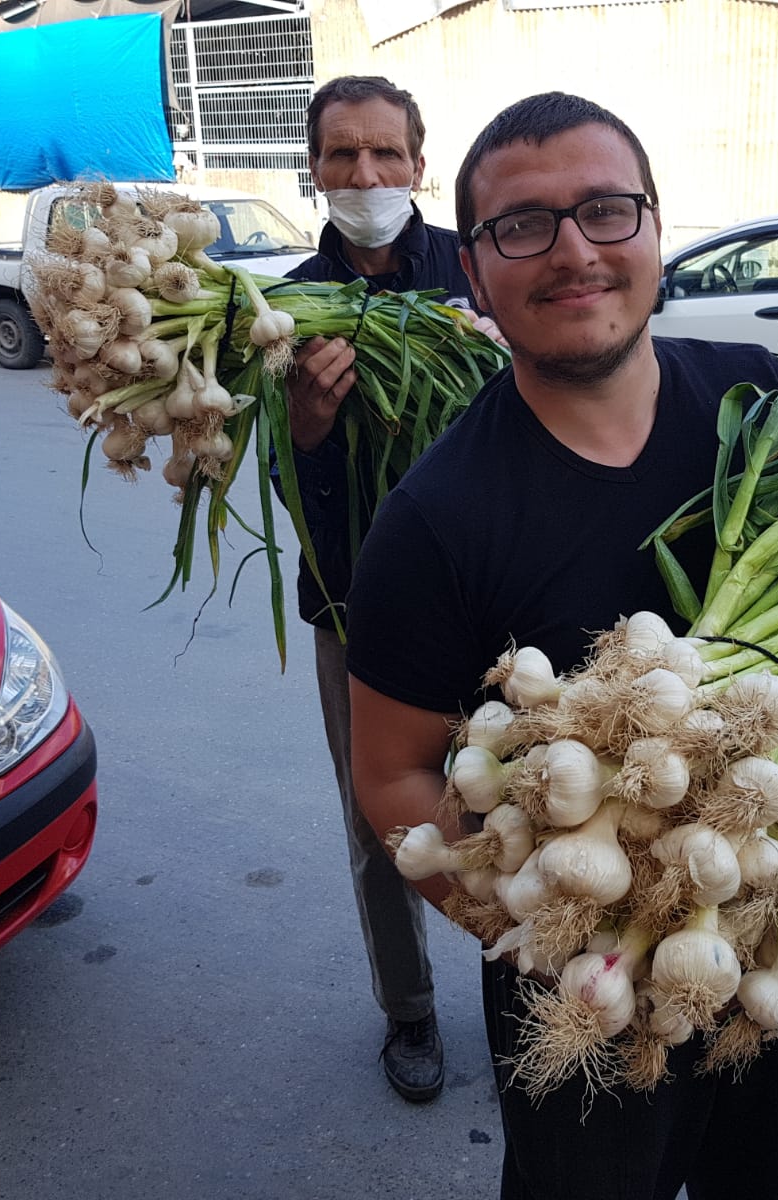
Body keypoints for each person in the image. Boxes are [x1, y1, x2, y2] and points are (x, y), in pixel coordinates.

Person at [344, 91, 778, 1200]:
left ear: (654, 227)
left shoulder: (767, 402)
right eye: (520, 226)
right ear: (476, 269)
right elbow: (390, 771)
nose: (573, 251)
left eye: (605, 210)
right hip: (581, 991)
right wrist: (540, 913)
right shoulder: (432, 518)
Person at [280, 74, 496, 1103]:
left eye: (384, 155)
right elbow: (285, 485)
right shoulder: (279, 310)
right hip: (355, 612)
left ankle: (539, 988)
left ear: (418, 161)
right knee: (388, 829)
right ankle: (408, 1014)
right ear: (315, 168)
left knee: (529, 801)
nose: (363, 176)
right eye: (340, 157)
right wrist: (308, 432)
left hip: (501, 603)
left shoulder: (484, 265)